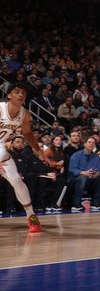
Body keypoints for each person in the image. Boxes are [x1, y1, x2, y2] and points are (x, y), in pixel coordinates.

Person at [0, 83, 44, 231]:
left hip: (1, 151)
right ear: (9, 95)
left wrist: (38, 150)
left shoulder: (25, 114)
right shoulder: (0, 109)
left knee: (17, 181)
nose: (21, 94)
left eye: (23, 92)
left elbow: (27, 134)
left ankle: (31, 216)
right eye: (17, 91)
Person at [67, 136, 100, 212]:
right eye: (89, 142)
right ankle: (76, 205)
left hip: (90, 178)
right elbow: (72, 169)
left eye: (93, 143)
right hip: (75, 179)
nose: (91, 144)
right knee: (82, 178)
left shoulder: (96, 156)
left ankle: (95, 203)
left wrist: (97, 173)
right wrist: (83, 173)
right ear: (84, 144)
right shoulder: (76, 155)